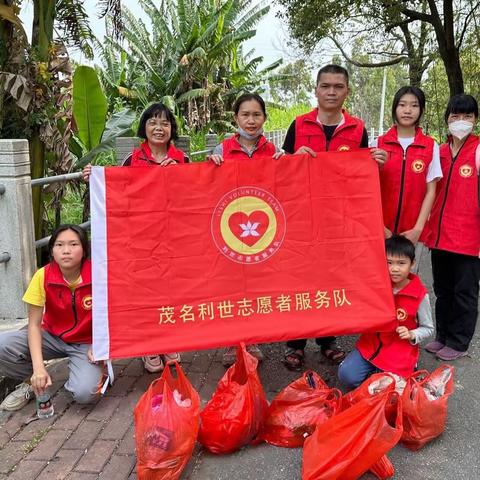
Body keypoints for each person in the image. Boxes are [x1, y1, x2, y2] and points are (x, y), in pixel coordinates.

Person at [282, 64, 388, 370]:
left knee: (331, 280)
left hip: (338, 221)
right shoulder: (298, 125)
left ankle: (328, 341)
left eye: (337, 86)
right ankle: (295, 344)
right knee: (300, 281)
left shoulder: (357, 129)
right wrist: (292, 160)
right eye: (325, 86)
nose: (331, 91)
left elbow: (360, 177)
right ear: (315, 90)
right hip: (302, 218)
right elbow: (281, 171)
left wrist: (375, 163)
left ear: (347, 91)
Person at [83, 102, 187, 373]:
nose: (159, 128)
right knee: (146, 292)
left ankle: (169, 341)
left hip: (172, 238)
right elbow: (118, 191)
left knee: (171, 291)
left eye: (165, 123)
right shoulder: (132, 160)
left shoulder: (182, 160)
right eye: (153, 122)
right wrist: (94, 178)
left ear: (172, 129)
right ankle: (149, 347)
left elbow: (193, 196)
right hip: (141, 239)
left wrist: (176, 175)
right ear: (144, 127)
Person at [209, 92, 282, 367]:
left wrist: (288, 165)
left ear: (264, 118)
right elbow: (210, 186)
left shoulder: (274, 152)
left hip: (264, 227)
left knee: (258, 286)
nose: (251, 121)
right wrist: (211, 168)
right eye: (245, 115)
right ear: (236, 117)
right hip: (229, 226)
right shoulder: (222, 149)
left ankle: (253, 339)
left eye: (256, 115)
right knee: (233, 287)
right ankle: (232, 342)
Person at [0, 225, 104, 411]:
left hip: (87, 342)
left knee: (84, 394)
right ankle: (31, 382)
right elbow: (33, 325)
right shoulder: (42, 276)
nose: (66, 251)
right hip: (51, 336)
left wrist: (102, 345)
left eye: (73, 244)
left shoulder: (99, 274)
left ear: (84, 249)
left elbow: (115, 313)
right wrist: (39, 367)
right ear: (52, 251)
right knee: (3, 343)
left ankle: (98, 372)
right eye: (59, 245)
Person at [424, 94, 480, 361]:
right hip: (439, 235)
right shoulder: (439, 151)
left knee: (464, 293)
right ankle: (442, 336)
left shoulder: (478, 150)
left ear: (475, 120)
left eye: (467, 116)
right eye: (455, 116)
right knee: (442, 289)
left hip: (469, 237)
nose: (461, 121)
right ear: (447, 119)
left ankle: (459, 342)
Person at [338, 235, 434, 390]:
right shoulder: (375, 286)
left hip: (400, 351)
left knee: (391, 391)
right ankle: (373, 378)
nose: (394, 269)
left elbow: (428, 328)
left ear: (412, 264)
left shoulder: (420, 295)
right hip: (371, 345)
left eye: (401, 263)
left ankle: (382, 378)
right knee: (347, 376)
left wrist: (412, 334)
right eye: (388, 263)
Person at [375, 86, 442, 245]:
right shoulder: (377, 143)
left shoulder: (431, 146)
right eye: (402, 104)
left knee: (405, 269)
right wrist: (378, 225)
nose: (407, 110)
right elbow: (368, 189)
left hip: (411, 233)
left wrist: (418, 229)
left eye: (414, 105)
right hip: (379, 229)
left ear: (421, 110)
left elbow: (431, 192)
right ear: (395, 108)